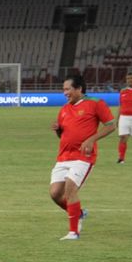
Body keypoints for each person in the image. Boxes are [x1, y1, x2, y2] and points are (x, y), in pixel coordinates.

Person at [50, 75, 115, 241]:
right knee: (55, 194)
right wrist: (58, 130)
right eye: (63, 89)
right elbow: (64, 135)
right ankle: (78, 213)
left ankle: (73, 232)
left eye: (67, 89)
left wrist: (92, 139)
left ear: (79, 89)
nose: (65, 93)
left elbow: (111, 126)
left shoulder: (95, 103)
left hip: (83, 157)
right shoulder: (64, 109)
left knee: (70, 189)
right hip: (64, 156)